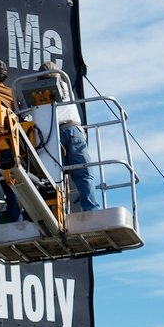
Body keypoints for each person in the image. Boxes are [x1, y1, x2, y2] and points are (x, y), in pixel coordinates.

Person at [40, 58, 97, 212]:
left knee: (56, 177)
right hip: (73, 130)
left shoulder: (36, 92)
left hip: (54, 135)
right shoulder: (65, 85)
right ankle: (90, 209)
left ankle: (60, 212)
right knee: (84, 174)